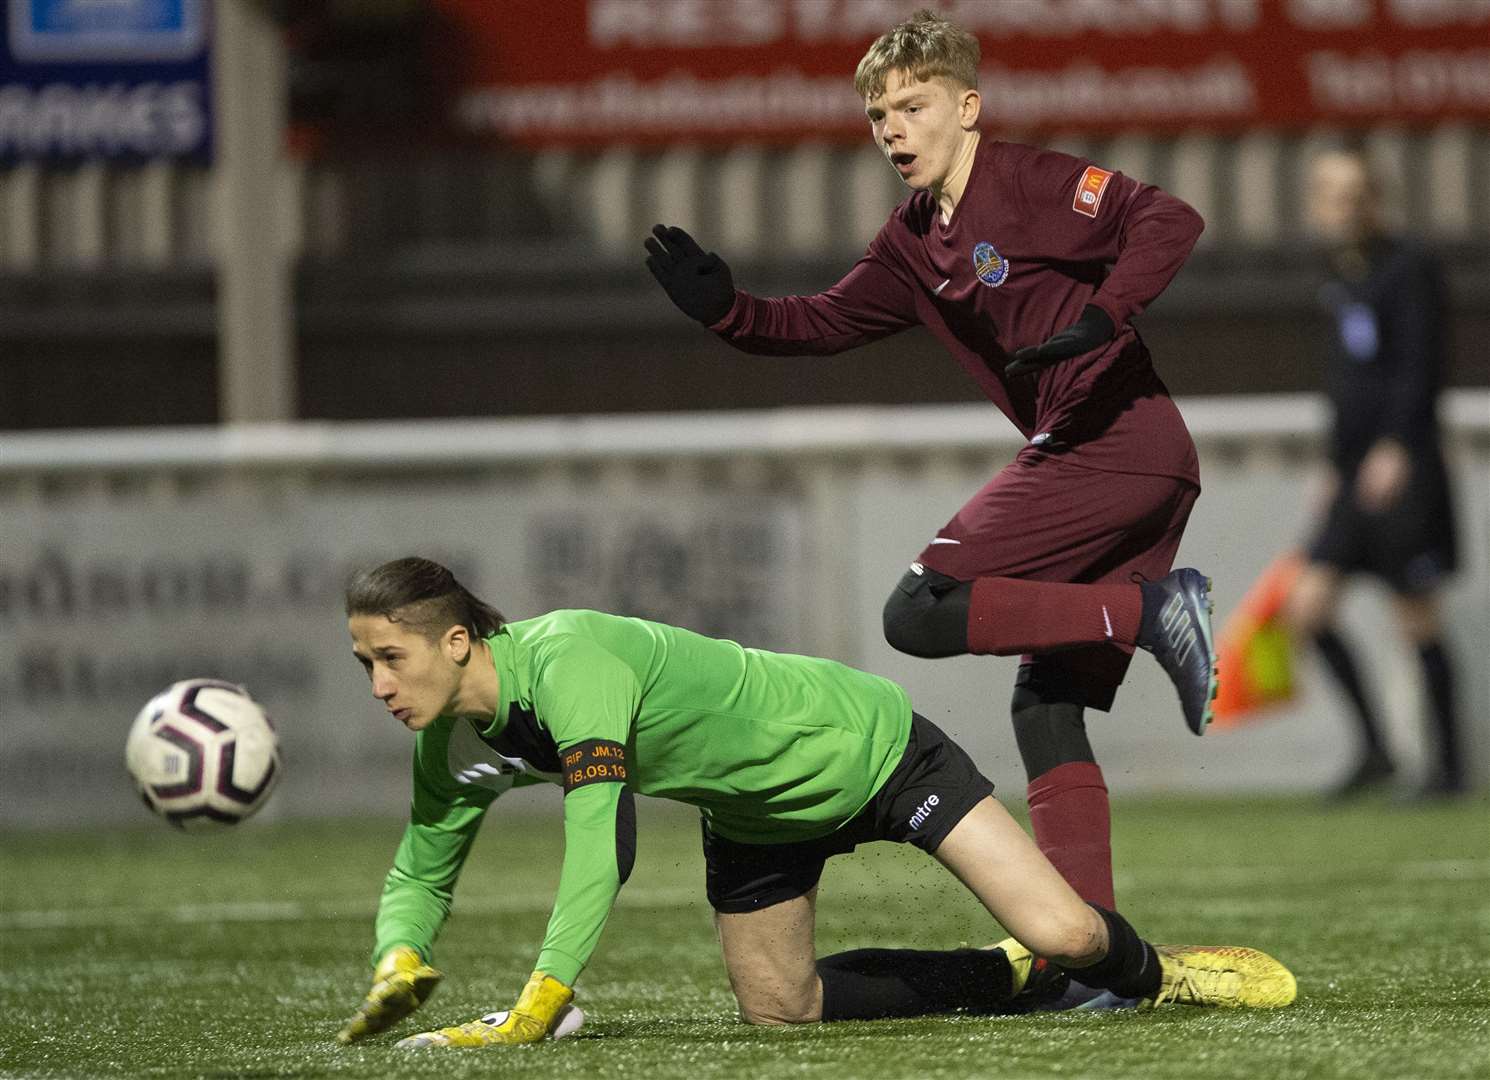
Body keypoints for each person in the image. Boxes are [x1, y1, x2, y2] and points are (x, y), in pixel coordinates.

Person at [644, 9, 1213, 916]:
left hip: (1116, 442)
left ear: (969, 108)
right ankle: (1092, 953)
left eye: (912, 106)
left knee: (919, 609)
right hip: (1111, 458)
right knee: (1046, 706)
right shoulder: (914, 240)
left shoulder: (1028, 181)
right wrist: (728, 311)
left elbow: (1169, 219)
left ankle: (1154, 613)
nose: (893, 130)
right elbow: (821, 322)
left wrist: (1104, 316)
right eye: (879, 117)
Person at [334, 557, 1295, 1048]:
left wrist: (543, 995)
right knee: (779, 1011)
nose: (377, 683)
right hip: (754, 817)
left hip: (866, 749)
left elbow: (601, 845)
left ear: (458, 640)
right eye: (364, 664)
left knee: (1077, 937)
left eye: (390, 657)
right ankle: (1008, 977)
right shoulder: (448, 745)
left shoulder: (571, 659)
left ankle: (1159, 970)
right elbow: (423, 864)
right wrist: (398, 958)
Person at [1284, 147, 1465, 799]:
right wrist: (1333, 465)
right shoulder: (1338, 276)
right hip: (1352, 473)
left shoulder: (1409, 267)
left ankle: (1450, 770)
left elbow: (1421, 366)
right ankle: (1377, 752)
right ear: (1317, 204)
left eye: (1357, 191)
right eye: (1333, 192)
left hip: (1402, 467)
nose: (1346, 204)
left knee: (1415, 614)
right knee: (1307, 608)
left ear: (1375, 198)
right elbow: (1345, 383)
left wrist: (1396, 444)